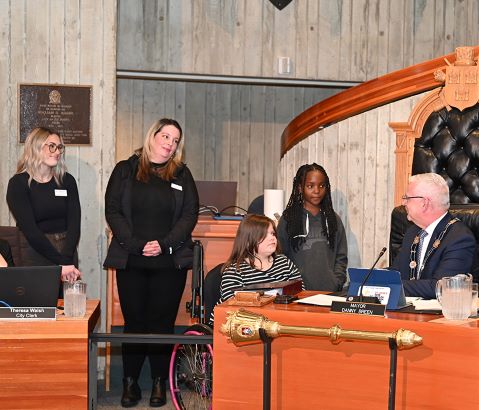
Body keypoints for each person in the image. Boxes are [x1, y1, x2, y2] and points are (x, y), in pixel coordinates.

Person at [103, 118, 198, 408]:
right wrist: (136, 244)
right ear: (152, 135)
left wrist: (165, 244)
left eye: (175, 140)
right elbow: (113, 210)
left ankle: (159, 383)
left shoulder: (182, 174)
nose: (170, 144)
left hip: (168, 263)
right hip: (132, 259)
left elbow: (189, 215)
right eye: (165, 136)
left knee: (162, 324)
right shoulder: (125, 169)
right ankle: (129, 383)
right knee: (134, 323)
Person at [6, 127, 81, 282]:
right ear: (35, 147)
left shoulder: (67, 181)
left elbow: (75, 223)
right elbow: (30, 231)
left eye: (59, 147)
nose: (57, 151)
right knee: (40, 303)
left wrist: (67, 259)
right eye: (51, 146)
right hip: (35, 252)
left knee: (68, 304)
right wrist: (61, 262)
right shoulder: (18, 184)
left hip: (67, 251)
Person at [391, 173, 476, 299]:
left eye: (407, 198)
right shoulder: (412, 232)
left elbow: (441, 287)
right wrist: (373, 278)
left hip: (442, 316)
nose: (404, 203)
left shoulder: (459, 238)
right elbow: (398, 272)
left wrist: (389, 286)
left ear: (424, 203)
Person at [212, 214, 302, 323]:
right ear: (248, 240)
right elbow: (232, 307)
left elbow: (300, 294)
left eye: (273, 233)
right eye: (264, 235)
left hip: (278, 322)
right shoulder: (235, 271)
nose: (272, 238)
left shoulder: (284, 263)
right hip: (240, 325)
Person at [278, 163, 348, 291]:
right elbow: (281, 255)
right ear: (300, 188)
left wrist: (336, 281)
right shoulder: (289, 219)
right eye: (310, 186)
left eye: (321, 186)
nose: (316, 191)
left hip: (329, 292)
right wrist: (289, 284)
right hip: (297, 293)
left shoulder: (333, 220)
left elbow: (341, 256)